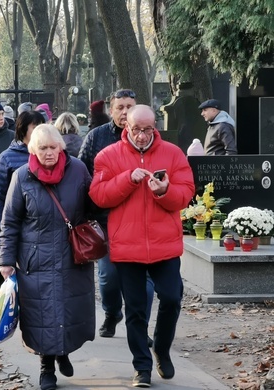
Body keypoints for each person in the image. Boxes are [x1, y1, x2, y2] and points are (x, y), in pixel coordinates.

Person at [89, 104, 195, 387]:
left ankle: (161, 348)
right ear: (126, 126)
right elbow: (98, 196)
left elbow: (186, 193)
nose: (141, 135)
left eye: (147, 129)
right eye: (136, 129)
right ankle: (142, 367)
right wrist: (126, 179)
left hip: (165, 245)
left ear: (155, 127)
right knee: (135, 310)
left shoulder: (173, 153)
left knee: (171, 298)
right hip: (127, 246)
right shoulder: (108, 156)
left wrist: (165, 191)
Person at [0, 124, 95, 390]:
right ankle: (46, 368)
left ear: (61, 147)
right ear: (33, 149)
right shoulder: (22, 176)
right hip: (35, 259)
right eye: (43, 148)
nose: (49, 153)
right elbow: (10, 221)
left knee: (68, 308)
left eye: (53, 147)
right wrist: (6, 260)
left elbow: (94, 206)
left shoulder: (78, 170)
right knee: (41, 315)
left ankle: (63, 351)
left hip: (72, 255)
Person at [79, 89, 154, 339]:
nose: (124, 112)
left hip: (142, 219)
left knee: (145, 281)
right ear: (111, 110)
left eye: (129, 106)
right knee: (109, 277)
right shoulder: (96, 138)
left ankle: (141, 325)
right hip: (106, 219)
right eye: (119, 107)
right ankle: (112, 312)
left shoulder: (149, 138)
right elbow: (82, 174)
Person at [0, 110, 46, 253]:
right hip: (17, 223)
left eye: (42, 126)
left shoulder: (50, 155)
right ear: (23, 129)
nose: (41, 131)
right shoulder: (6, 158)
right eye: (35, 127)